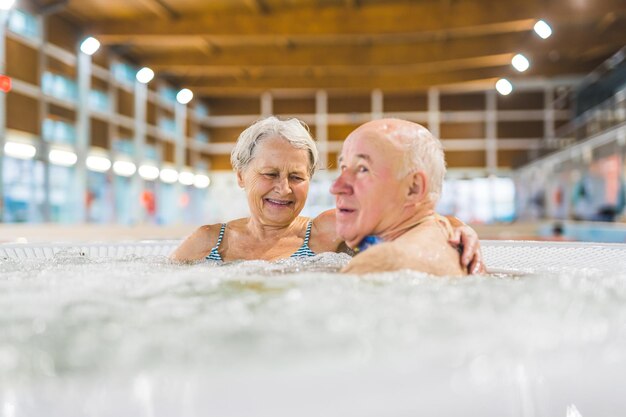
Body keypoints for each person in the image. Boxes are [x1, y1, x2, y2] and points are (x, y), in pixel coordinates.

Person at [171, 116, 483, 272]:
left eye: (297, 176)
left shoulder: (328, 231)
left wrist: (458, 228)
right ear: (240, 176)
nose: (284, 188)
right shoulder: (208, 242)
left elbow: (411, 219)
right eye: (270, 174)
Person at [330, 118, 471, 276]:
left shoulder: (382, 263)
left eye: (363, 169)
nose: (336, 187)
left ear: (413, 188)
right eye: (344, 168)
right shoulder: (447, 238)